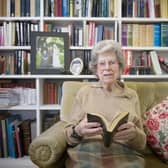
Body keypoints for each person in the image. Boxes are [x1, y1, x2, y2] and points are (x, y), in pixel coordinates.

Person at [64, 40, 146, 168]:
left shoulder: (131, 95)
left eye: (112, 62)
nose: (107, 67)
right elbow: (69, 137)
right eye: (102, 63)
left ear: (119, 67)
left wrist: (134, 134)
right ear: (96, 69)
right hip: (88, 151)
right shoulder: (84, 93)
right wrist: (78, 130)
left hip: (124, 153)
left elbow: (142, 144)